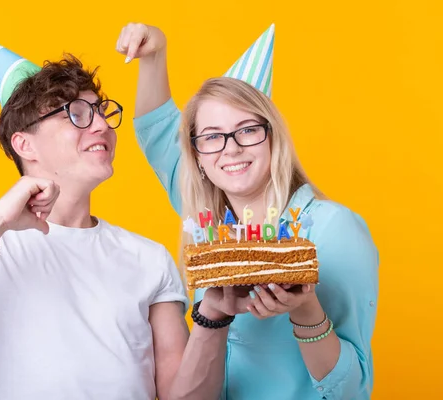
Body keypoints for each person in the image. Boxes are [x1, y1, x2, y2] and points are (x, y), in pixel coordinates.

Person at [0, 33, 191, 400]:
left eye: (102, 111)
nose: (103, 126)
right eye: (77, 113)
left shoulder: (149, 258)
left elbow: (182, 396)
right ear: (24, 144)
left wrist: (216, 315)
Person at [116, 23, 380, 399]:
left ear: (273, 137)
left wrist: (305, 309)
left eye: (248, 130)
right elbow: (155, 130)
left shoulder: (334, 229)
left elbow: (352, 389)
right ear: (197, 158)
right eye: (212, 136)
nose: (231, 149)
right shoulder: (204, 217)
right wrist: (154, 55)